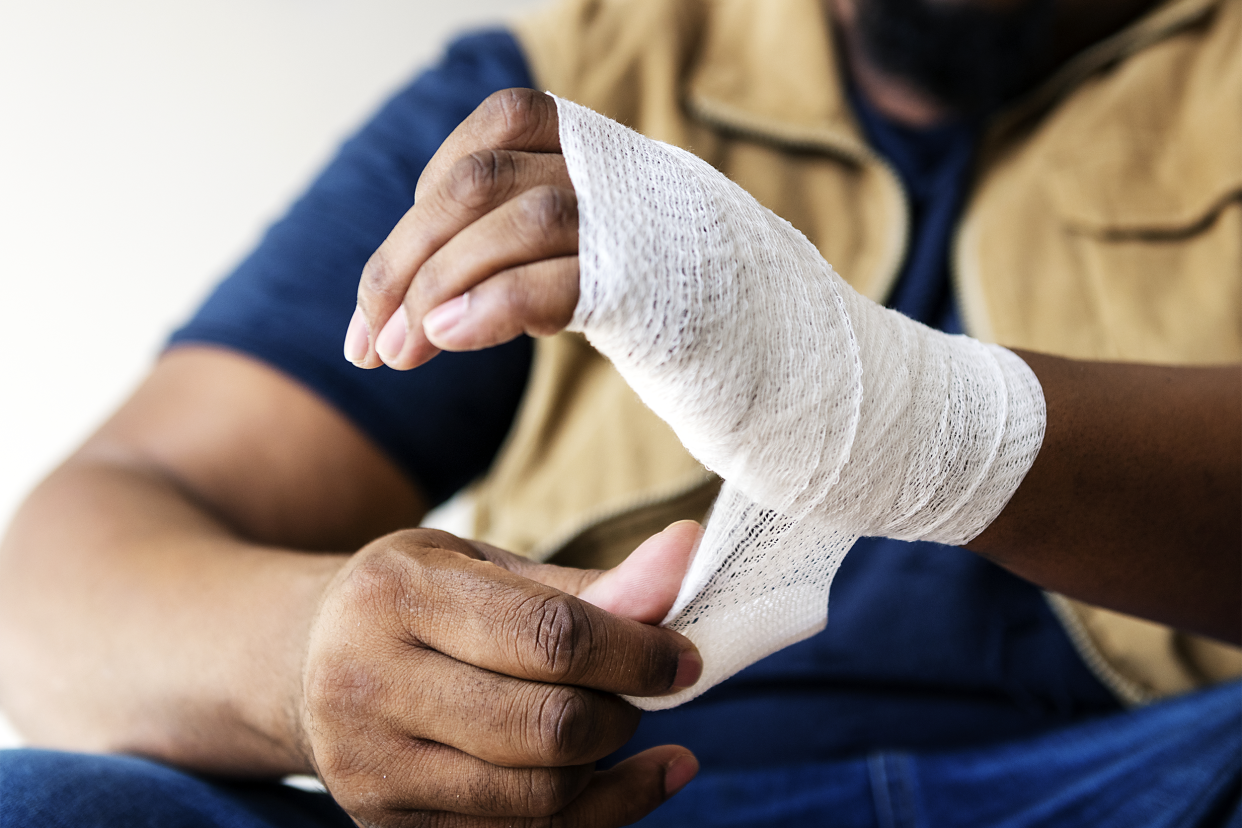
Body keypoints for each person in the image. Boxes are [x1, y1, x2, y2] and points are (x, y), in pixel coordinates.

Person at [2, 0, 1242, 825]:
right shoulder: (560, 92)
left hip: (1148, 779)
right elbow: (62, 581)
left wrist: (910, 421)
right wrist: (312, 657)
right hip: (609, 796)